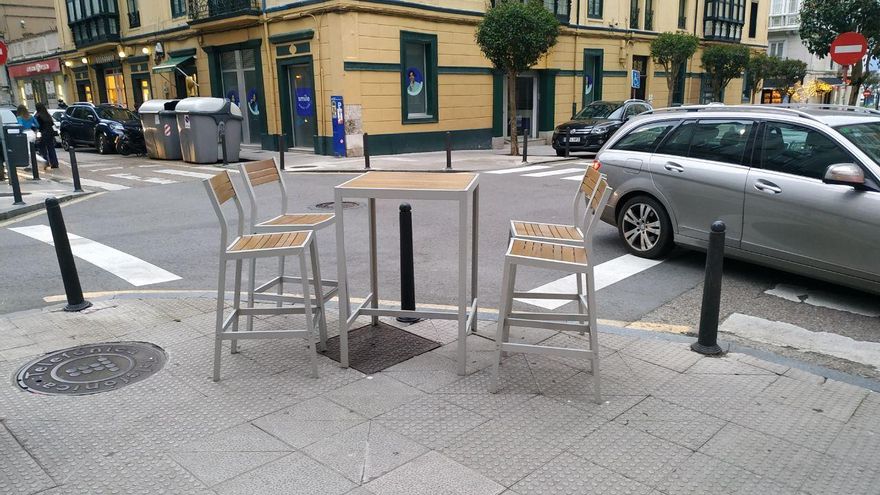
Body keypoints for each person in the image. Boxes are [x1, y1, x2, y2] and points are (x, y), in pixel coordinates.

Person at [35, 103, 59, 170]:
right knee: (51, 148)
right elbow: (52, 124)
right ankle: (54, 163)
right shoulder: (47, 115)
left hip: (43, 133)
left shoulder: (38, 116)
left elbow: (38, 126)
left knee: (42, 149)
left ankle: (46, 162)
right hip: (50, 133)